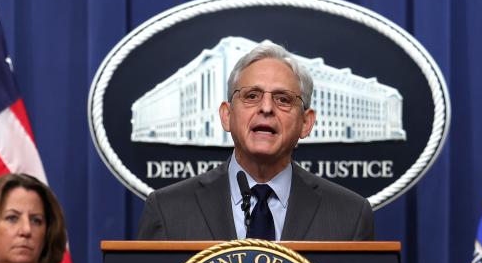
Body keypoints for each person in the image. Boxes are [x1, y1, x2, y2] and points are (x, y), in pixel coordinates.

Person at [136, 40, 375, 240]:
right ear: (227, 116)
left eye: (283, 99)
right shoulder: (168, 210)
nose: (267, 108)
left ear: (306, 123)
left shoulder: (350, 215)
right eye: (252, 96)